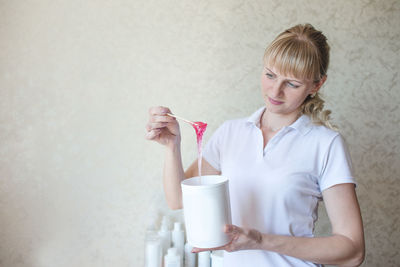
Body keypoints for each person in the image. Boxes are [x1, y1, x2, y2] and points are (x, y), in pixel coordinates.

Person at [145, 24, 365, 267]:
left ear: (316, 85)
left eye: (292, 84)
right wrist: (171, 146)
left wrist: (260, 240)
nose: (275, 90)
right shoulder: (230, 133)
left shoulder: (325, 144)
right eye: (270, 75)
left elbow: (352, 252)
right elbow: (178, 199)